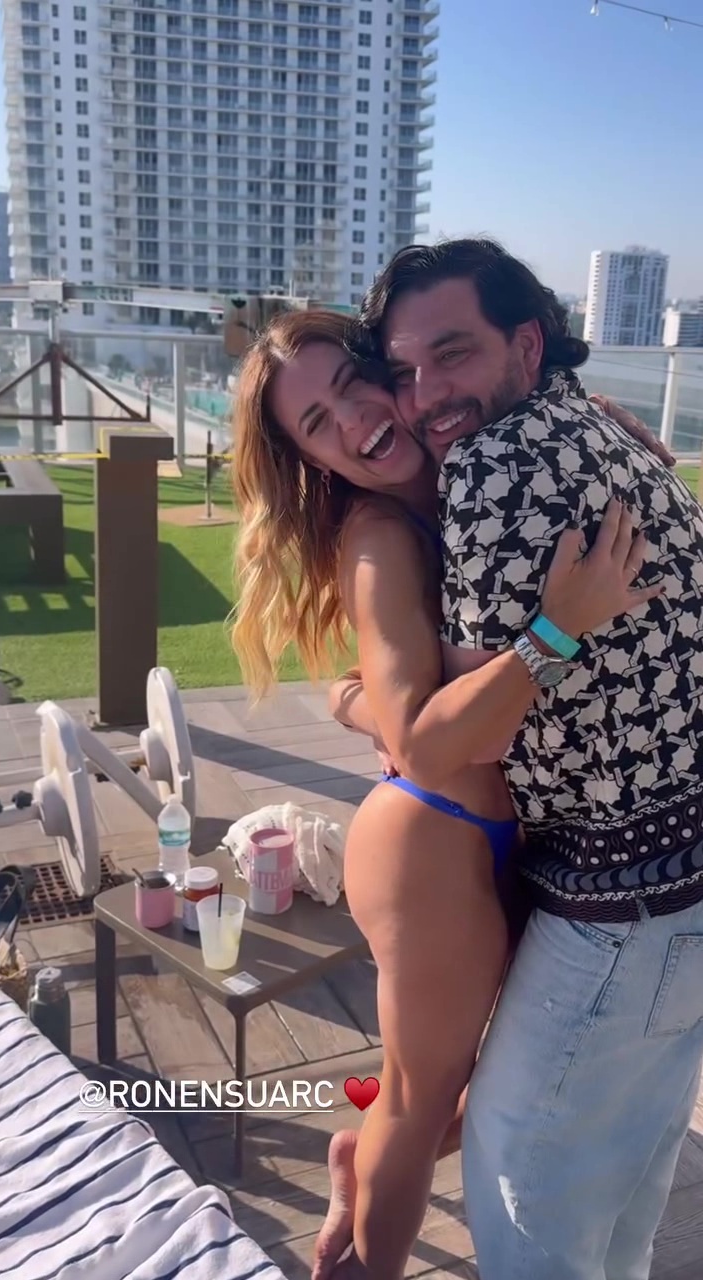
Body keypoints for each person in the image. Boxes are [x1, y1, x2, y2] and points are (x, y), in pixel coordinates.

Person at [229, 306, 665, 1280]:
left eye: (353, 382)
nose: (352, 418)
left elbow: (382, 689)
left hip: (516, 841)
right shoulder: (381, 535)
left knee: (489, 1082)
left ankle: (360, 1160)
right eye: (316, 421)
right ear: (309, 458)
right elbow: (424, 744)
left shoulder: (474, 479)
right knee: (420, 1097)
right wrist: (555, 631)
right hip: (435, 838)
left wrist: (603, 422)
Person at [335, 236, 703, 1280]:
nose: (425, 396)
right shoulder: (599, 424)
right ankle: (356, 1185)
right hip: (674, 890)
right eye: (404, 370)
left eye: (452, 354)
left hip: (614, 905)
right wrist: (364, 699)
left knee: (522, 1192)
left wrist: (369, 701)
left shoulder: (491, 465)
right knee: (618, 1194)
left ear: (528, 343)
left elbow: (456, 736)